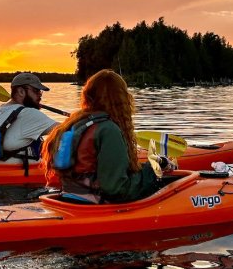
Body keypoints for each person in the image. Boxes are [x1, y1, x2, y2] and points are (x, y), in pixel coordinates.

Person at [41, 69, 174, 204]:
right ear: (121, 99)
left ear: (87, 96)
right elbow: (116, 189)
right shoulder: (108, 130)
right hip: (95, 205)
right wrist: (153, 170)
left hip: (69, 198)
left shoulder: (75, 123)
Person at [0, 73, 58, 172]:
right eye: (36, 91)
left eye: (40, 92)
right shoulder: (28, 113)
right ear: (21, 91)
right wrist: (77, 117)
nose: (39, 95)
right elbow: (65, 130)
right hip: (19, 179)